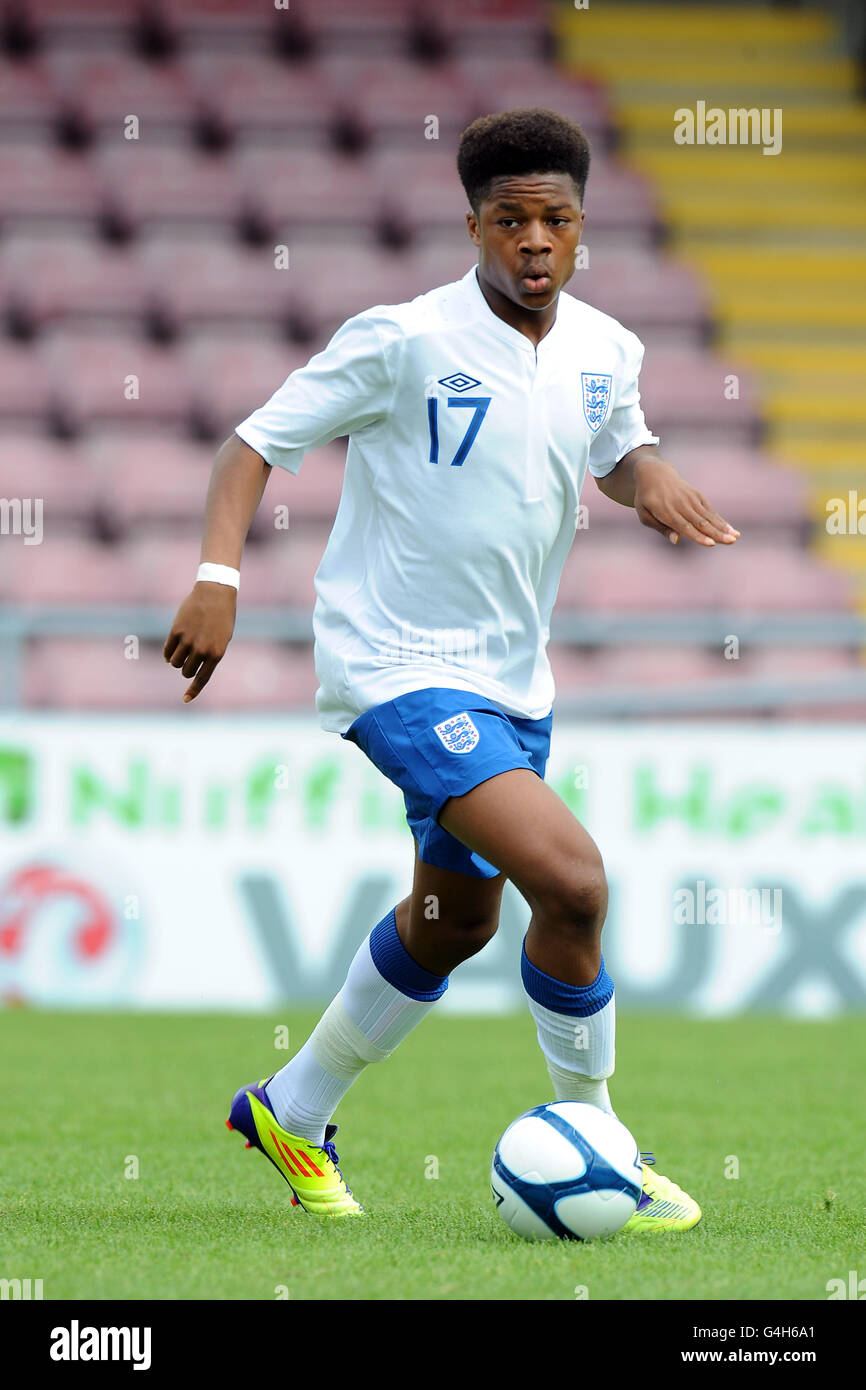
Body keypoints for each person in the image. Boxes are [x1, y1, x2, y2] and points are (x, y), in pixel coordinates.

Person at [164, 107, 739, 1228]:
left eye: (556, 220)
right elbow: (251, 446)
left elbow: (612, 445)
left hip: (514, 681)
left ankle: (290, 1106)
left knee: (455, 921)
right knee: (571, 880)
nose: (535, 240)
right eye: (511, 219)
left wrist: (649, 473)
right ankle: (604, 1142)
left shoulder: (604, 349)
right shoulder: (401, 339)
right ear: (471, 224)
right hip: (396, 665)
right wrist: (217, 577)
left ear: (581, 231)